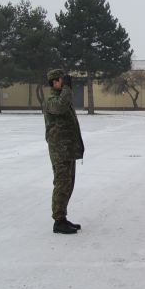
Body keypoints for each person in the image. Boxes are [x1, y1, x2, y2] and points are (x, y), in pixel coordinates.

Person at [43, 69, 85, 234]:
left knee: (68, 184)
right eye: (63, 80)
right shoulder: (50, 100)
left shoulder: (62, 98)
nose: (66, 83)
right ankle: (58, 221)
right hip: (59, 150)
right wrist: (67, 89)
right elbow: (60, 107)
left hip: (67, 149)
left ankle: (63, 218)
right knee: (61, 184)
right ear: (55, 82)